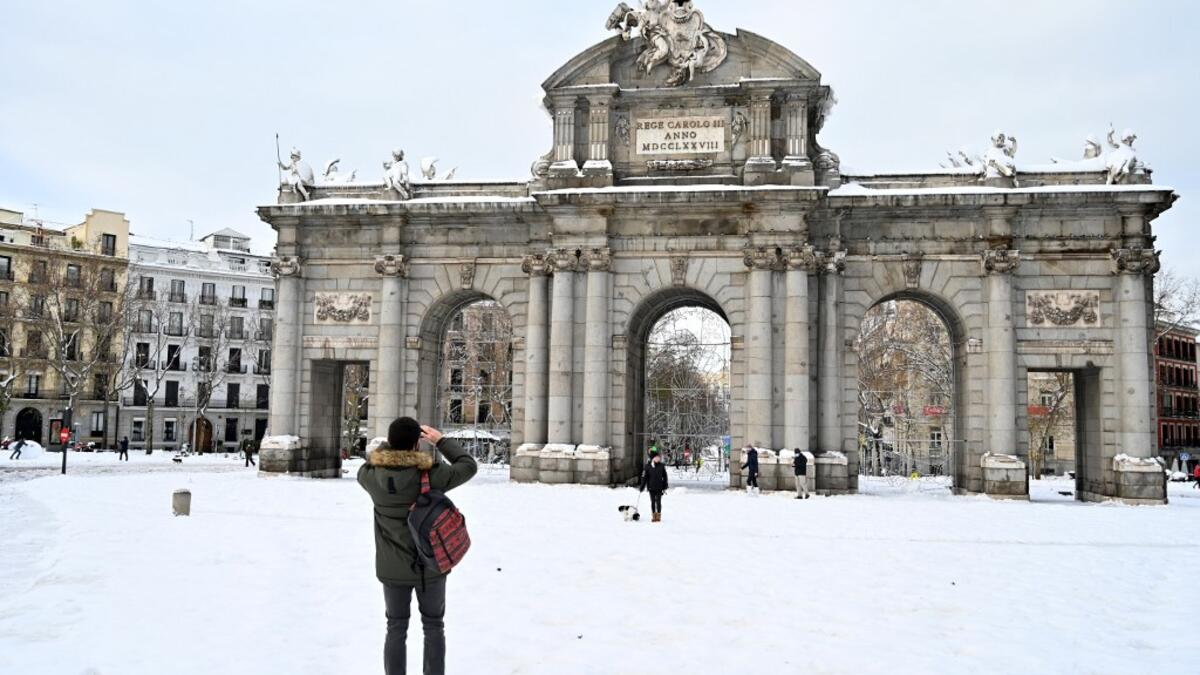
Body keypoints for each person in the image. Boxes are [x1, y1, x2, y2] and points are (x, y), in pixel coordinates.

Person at [357, 417, 478, 675]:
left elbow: (369, 462)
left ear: (389, 442)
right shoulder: (431, 475)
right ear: (416, 444)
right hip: (431, 567)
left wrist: (388, 450)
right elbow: (467, 465)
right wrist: (440, 440)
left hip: (392, 570)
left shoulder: (370, 477)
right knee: (434, 627)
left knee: (395, 627)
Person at [639, 449, 669, 523]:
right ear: (653, 458)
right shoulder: (648, 466)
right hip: (651, 487)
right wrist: (642, 486)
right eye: (657, 457)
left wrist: (665, 485)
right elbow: (644, 477)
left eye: (659, 457)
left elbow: (665, 476)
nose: (658, 458)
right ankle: (653, 516)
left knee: (658, 502)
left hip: (659, 487)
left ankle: (658, 516)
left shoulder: (661, 466)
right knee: (652, 502)